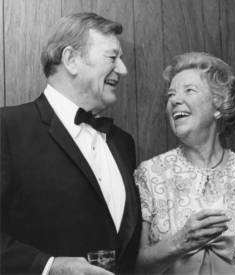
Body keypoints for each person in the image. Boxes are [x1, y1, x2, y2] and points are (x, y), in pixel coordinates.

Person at [0, 12, 141, 274]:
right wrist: (49, 267)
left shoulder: (123, 143)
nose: (123, 69)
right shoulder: (7, 128)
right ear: (71, 60)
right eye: (112, 57)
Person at [134, 52, 235, 274]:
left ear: (220, 105)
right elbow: (134, 267)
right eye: (170, 94)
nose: (174, 100)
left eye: (189, 90)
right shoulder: (150, 172)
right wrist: (180, 242)